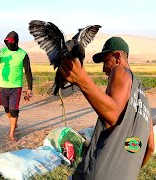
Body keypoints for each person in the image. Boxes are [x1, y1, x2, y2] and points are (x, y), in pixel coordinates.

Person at [59, 36, 154, 179]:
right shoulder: (145, 101)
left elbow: (113, 115)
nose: (104, 69)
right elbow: (150, 147)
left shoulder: (120, 70)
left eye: (105, 61)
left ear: (117, 57)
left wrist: (82, 79)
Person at [0, 31, 33, 142]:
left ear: (16, 42)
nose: (9, 44)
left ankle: (12, 132)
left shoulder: (23, 54)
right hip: (3, 85)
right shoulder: (2, 51)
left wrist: (29, 88)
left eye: (11, 42)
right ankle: (14, 122)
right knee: (7, 108)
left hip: (16, 86)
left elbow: (28, 72)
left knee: (14, 109)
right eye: (7, 42)